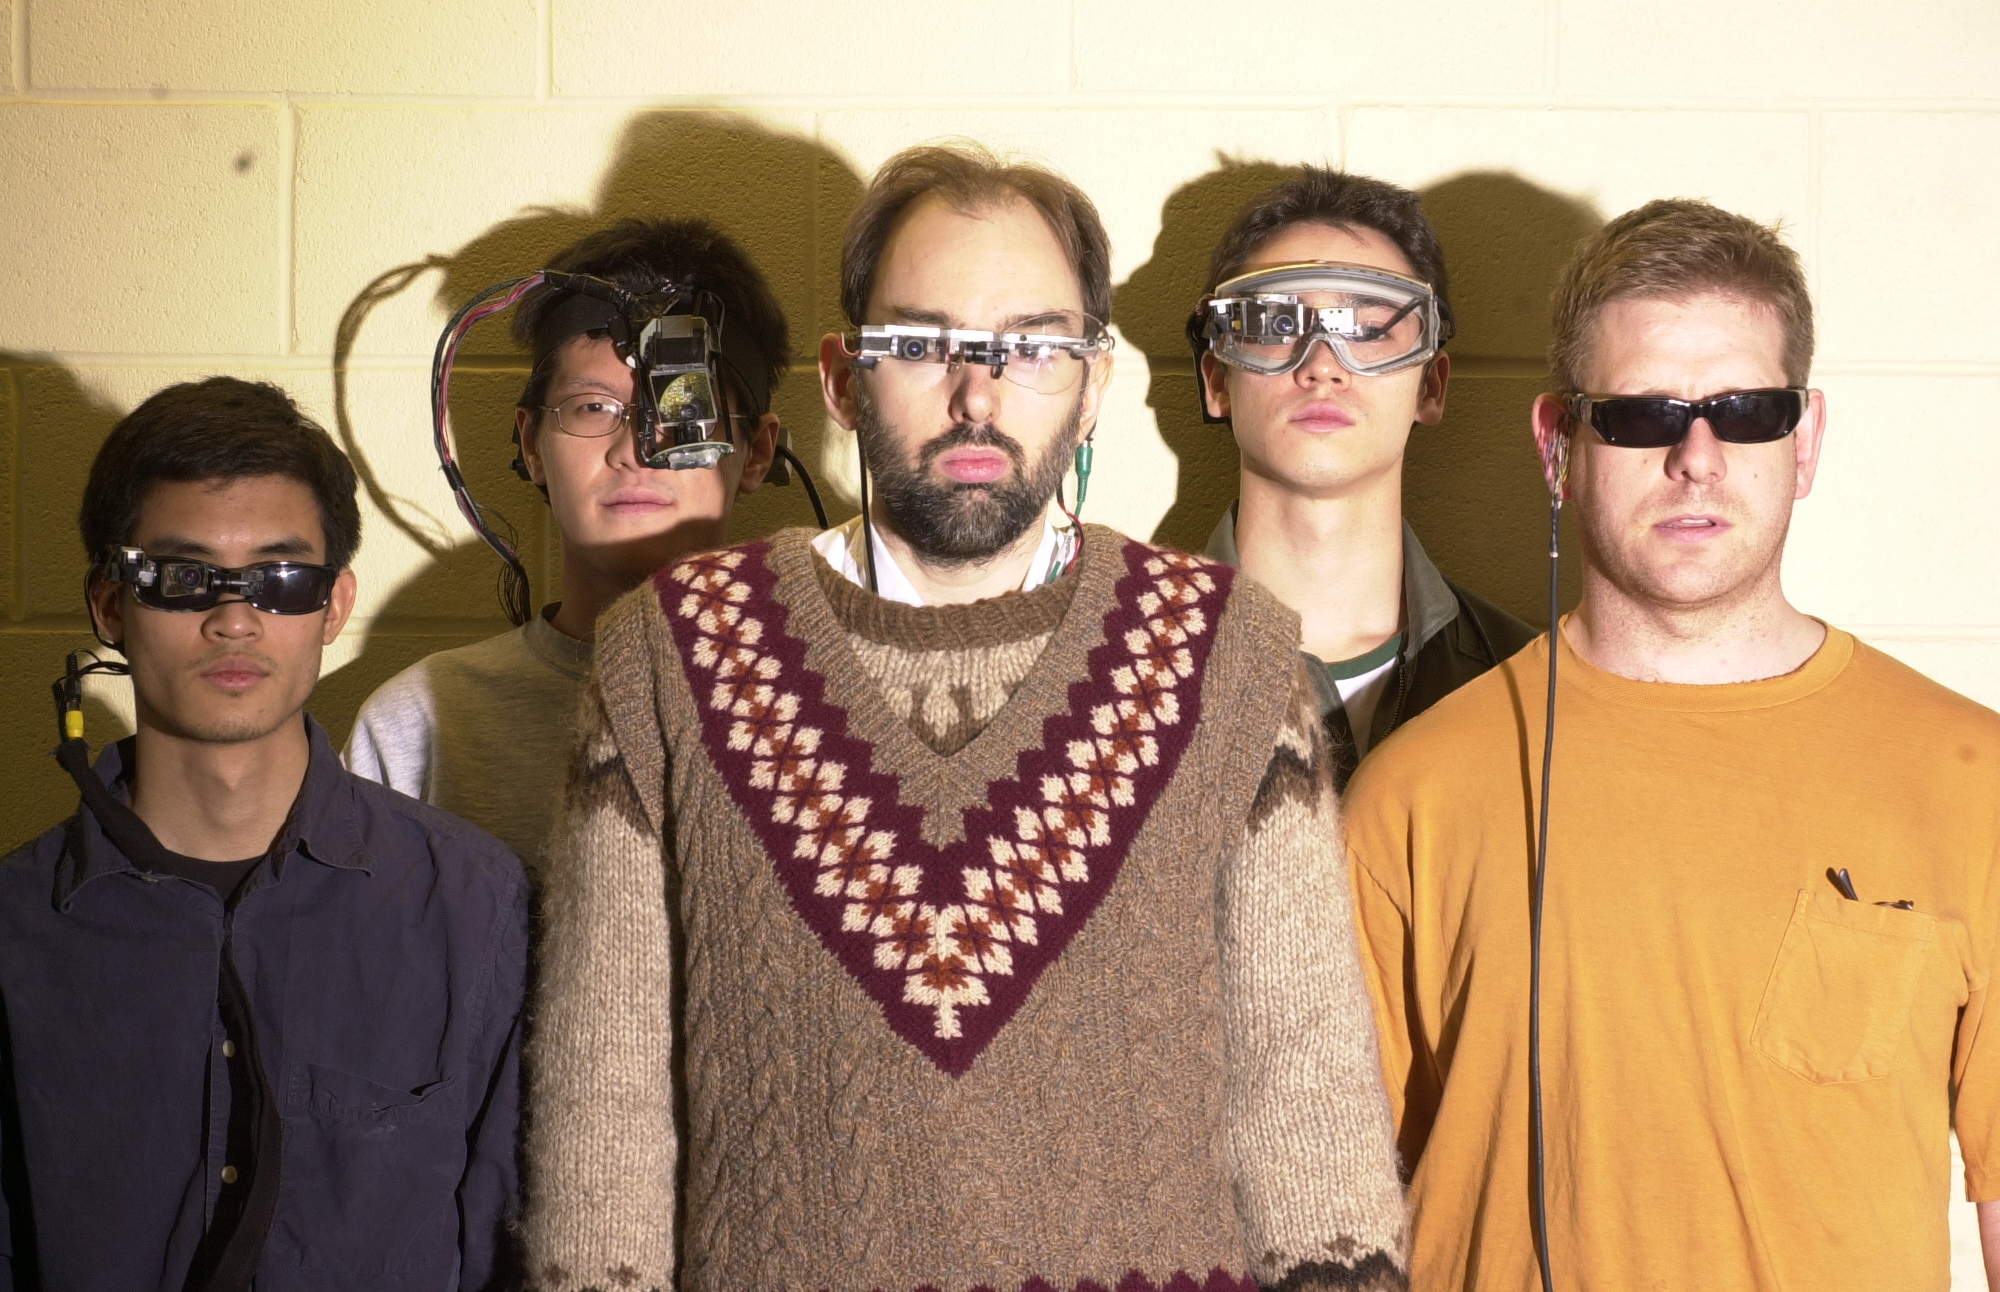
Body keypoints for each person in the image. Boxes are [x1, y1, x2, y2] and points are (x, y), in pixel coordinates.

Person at [522, 145, 1408, 1292]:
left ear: (1090, 384)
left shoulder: (1227, 657)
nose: (977, 395)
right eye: (921, 342)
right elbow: (605, 1117)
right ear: (843, 380)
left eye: (1031, 346)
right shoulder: (667, 655)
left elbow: (1309, 1113)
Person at [1343, 199, 2000, 1290]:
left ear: (1804, 441)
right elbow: (1323, 1210)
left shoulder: (1971, 782)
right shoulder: (1413, 792)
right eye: (1643, 416)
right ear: (1557, 445)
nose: (1697, 457)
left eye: (1746, 411)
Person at [0, 378, 528, 1289]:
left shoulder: (475, 905)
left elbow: (510, 1246)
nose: (235, 619)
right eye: (183, 577)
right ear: (110, 605)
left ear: (334, 605)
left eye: (281, 580)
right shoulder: (16, 927)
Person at [344, 218, 784, 865]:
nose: (635, 449)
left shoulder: (837, 708)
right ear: (532, 445)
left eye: (683, 406)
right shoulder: (418, 730)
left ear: (758, 452)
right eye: (594, 408)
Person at [1190, 168, 1533, 790]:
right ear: (1217, 382)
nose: (1323, 366)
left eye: (1369, 330)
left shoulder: (1531, 687)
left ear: (1431, 387)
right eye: (1278, 325)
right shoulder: (1108, 673)